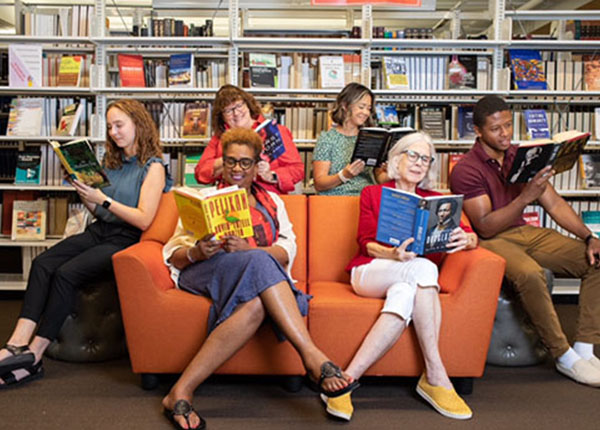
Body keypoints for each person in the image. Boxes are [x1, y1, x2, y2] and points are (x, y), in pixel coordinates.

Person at [162, 128, 357, 430]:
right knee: (259, 259)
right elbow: (172, 253)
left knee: (255, 303)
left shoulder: (273, 202)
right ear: (222, 164)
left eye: (245, 163)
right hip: (204, 270)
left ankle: (179, 391)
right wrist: (198, 252)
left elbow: (287, 250)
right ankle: (311, 356)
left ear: (257, 166)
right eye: (230, 162)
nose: (237, 169)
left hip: (251, 274)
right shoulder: (202, 198)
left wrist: (252, 249)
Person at [0, 99, 172, 388]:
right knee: (43, 263)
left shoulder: (153, 167)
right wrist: (84, 192)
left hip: (127, 239)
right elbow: (99, 212)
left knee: (67, 273)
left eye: (120, 125)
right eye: (109, 127)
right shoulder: (110, 162)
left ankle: (35, 354)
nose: (114, 132)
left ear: (138, 125)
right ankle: (16, 344)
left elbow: (143, 219)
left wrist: (102, 198)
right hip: (100, 230)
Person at [322, 132, 478, 422]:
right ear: (397, 158)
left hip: (408, 278)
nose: (420, 163)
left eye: (426, 159)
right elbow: (364, 242)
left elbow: (470, 235)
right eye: (413, 155)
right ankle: (435, 374)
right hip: (370, 271)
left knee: (407, 291)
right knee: (425, 269)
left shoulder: (439, 201)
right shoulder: (374, 193)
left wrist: (467, 240)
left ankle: (345, 382)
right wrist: (392, 254)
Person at [450, 95, 600, 388]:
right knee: (530, 274)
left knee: (594, 260)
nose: (505, 134)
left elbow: (555, 205)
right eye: (496, 129)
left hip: (526, 234)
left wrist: (589, 236)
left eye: (508, 125)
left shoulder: (523, 156)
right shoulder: (466, 169)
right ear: (478, 131)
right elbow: (486, 225)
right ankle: (564, 356)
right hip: (490, 239)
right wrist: (526, 197)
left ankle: (584, 347)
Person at [194, 85, 304, 194]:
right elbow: (200, 174)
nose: (236, 113)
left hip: (267, 197)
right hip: (230, 198)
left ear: (248, 105)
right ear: (221, 117)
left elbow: (297, 169)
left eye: (239, 106)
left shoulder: (274, 131)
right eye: (228, 111)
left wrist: (271, 175)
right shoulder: (219, 137)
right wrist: (228, 160)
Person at [313, 82, 388, 196]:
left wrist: (393, 173)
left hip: (366, 198)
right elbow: (319, 184)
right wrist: (344, 175)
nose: (366, 113)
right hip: (337, 199)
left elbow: (380, 178)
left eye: (368, 108)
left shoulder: (370, 138)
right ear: (345, 105)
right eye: (361, 107)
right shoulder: (327, 139)